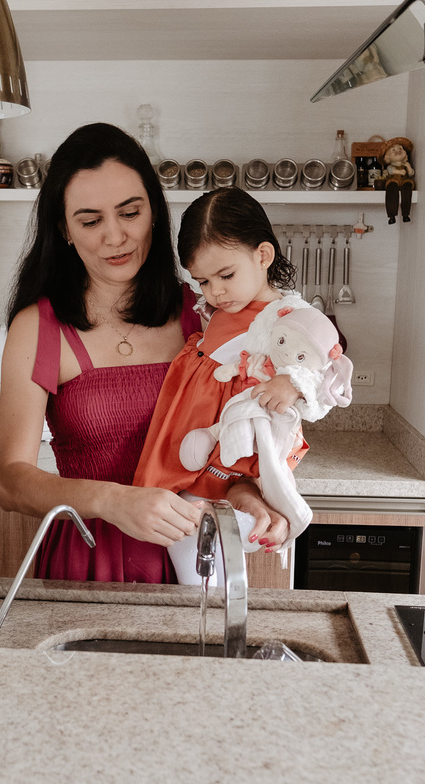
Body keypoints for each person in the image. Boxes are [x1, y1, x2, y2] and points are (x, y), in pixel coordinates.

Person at [0, 123, 288, 583]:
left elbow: (228, 443)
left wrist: (245, 492)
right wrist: (112, 501)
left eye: (130, 213)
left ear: (154, 212)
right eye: (90, 221)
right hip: (86, 561)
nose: (115, 237)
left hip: (190, 556)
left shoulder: (203, 315)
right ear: (64, 230)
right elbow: (10, 480)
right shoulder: (38, 327)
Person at [133, 187, 349, 583]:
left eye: (225, 275)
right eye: (202, 281)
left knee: (207, 561)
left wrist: (293, 383)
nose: (215, 291)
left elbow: (328, 369)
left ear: (262, 256)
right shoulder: (217, 308)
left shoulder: (289, 317)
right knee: (195, 550)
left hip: (234, 450)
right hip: (194, 444)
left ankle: (215, 629)